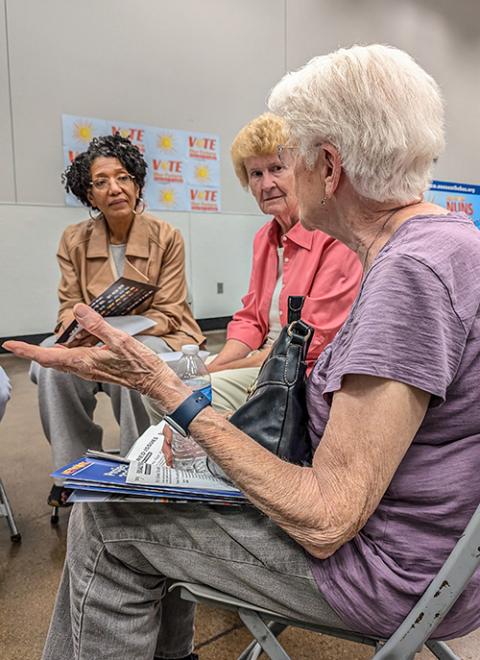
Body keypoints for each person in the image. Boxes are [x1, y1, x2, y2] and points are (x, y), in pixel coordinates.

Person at [6, 44, 480, 659]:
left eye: (293, 160)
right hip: (430, 552)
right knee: (150, 493)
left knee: (106, 522)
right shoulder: (449, 241)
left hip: (387, 571)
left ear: (329, 168)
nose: (278, 179)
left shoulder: (409, 273)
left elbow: (328, 516)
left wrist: (168, 389)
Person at [146, 114, 361, 423]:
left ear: (302, 171)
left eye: (277, 168)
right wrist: (215, 364)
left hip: (300, 373)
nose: (267, 183)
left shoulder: (332, 235)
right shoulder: (266, 237)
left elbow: (311, 343)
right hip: (264, 359)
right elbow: (251, 320)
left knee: (173, 394)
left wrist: (213, 372)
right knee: (163, 386)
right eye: (256, 174)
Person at [32, 133, 204, 507]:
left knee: (132, 355)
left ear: (137, 184)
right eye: (101, 182)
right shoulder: (73, 240)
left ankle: (138, 462)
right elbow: (68, 304)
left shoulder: (166, 236)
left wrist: (117, 336)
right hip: (92, 335)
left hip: (159, 332)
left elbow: (171, 310)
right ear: (88, 194)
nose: (115, 188)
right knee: (51, 363)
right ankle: (72, 468)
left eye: (124, 177)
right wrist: (76, 330)